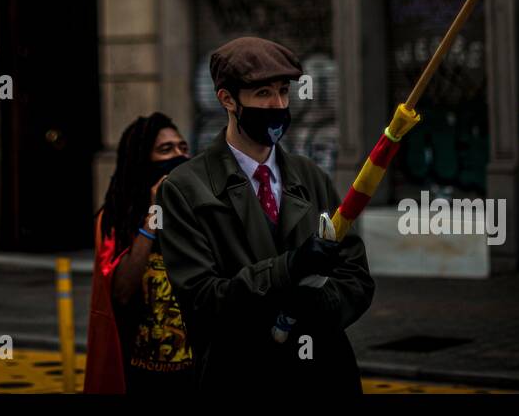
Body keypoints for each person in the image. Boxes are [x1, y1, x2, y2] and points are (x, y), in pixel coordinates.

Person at [158, 36, 375, 394]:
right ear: (227, 99)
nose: (277, 104)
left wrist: (313, 304)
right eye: (262, 94)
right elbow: (202, 299)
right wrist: (288, 269)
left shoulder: (311, 177)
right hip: (241, 378)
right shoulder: (185, 189)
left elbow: (357, 277)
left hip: (324, 376)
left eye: (283, 92)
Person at [84, 113, 196, 393]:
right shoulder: (115, 220)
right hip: (140, 376)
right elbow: (121, 292)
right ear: (141, 161)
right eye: (165, 150)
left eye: (183, 148)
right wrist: (153, 216)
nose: (179, 156)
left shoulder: (199, 214)